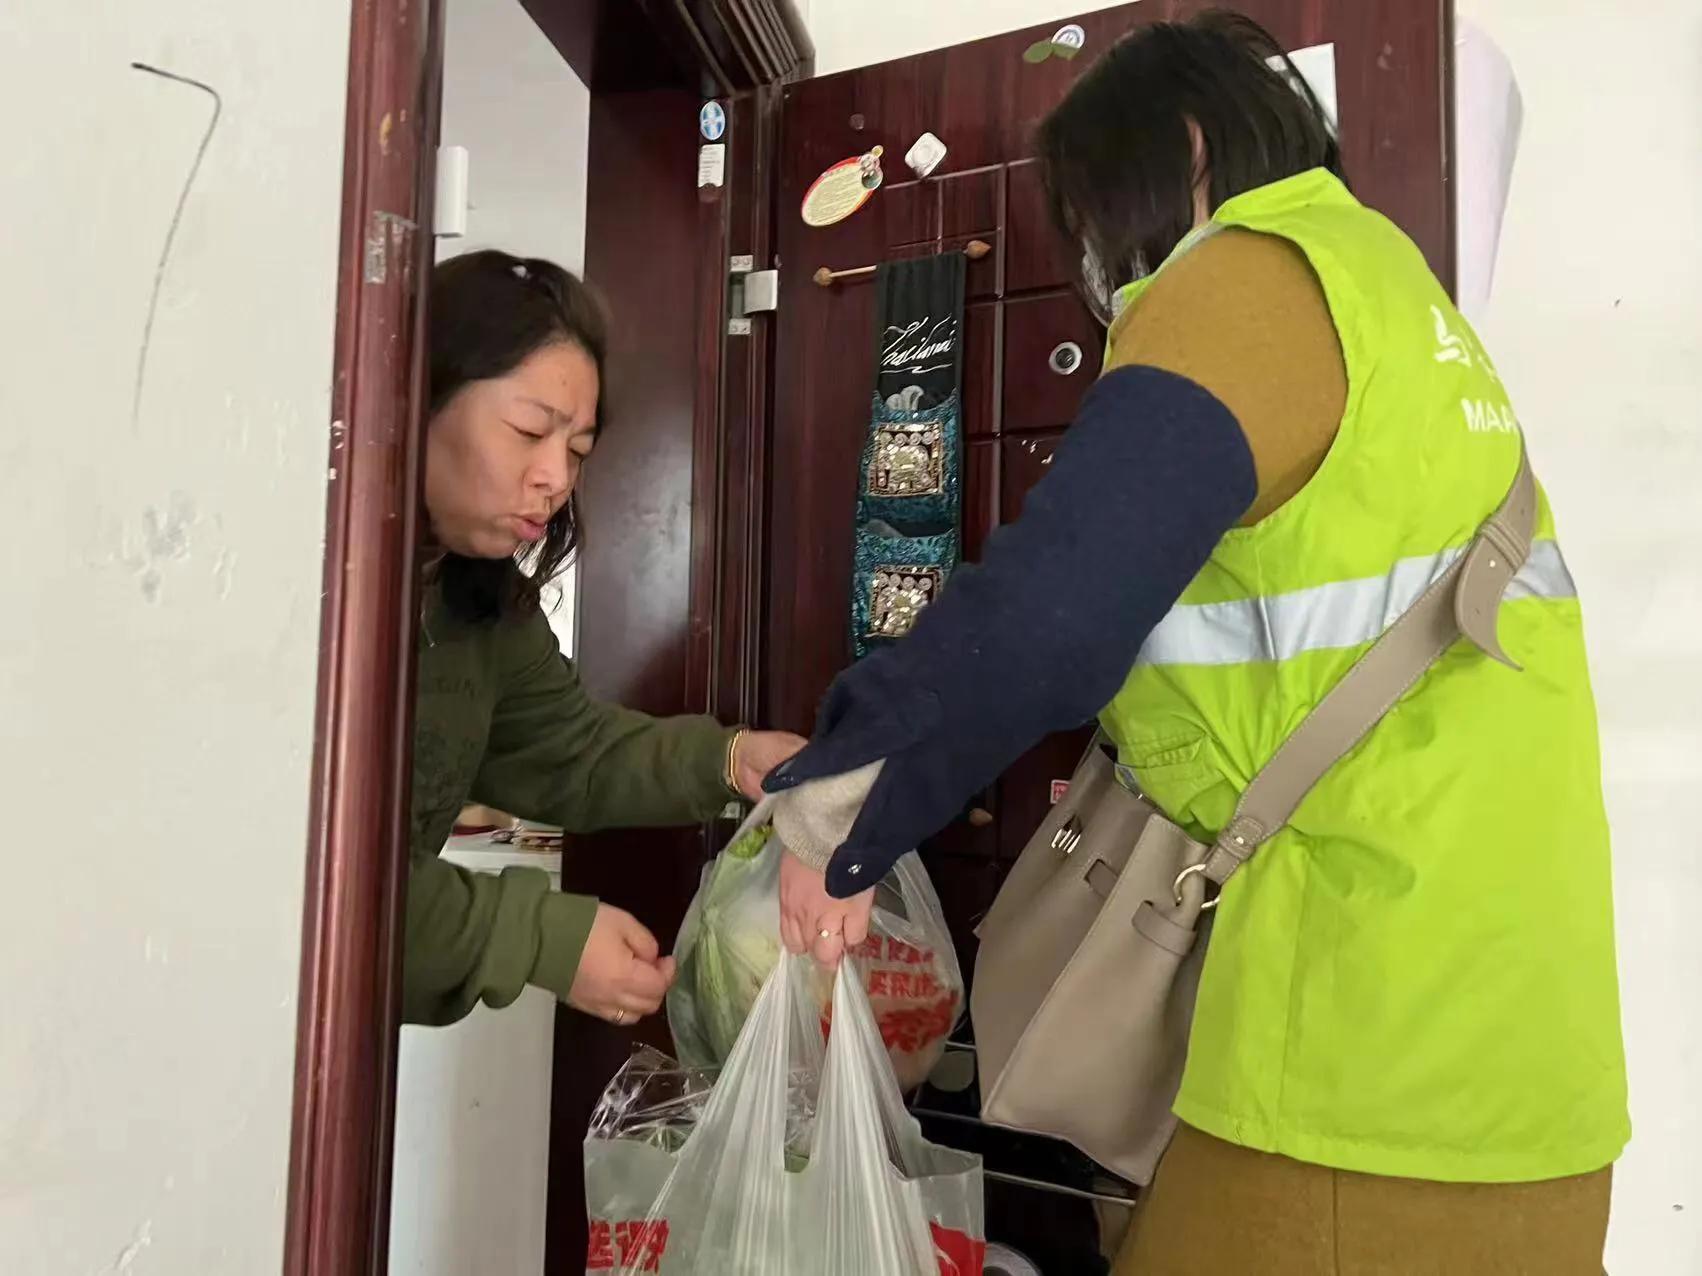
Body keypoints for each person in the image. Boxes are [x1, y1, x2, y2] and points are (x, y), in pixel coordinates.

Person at [762, 13, 1626, 1274]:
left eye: (1099, 216)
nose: (1108, 274)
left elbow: (1051, 613)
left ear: (1182, 155)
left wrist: (832, 818)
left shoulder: (1245, 277)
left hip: (1360, 1057)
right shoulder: (1390, 299)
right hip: (1499, 1046)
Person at [405, 249, 802, 1029]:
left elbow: (572, 753)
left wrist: (730, 759)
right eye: (529, 431)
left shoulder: (479, 606)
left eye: (578, 452)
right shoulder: (301, 595)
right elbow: (294, 873)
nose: (555, 478)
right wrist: (543, 936)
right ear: (417, 395)